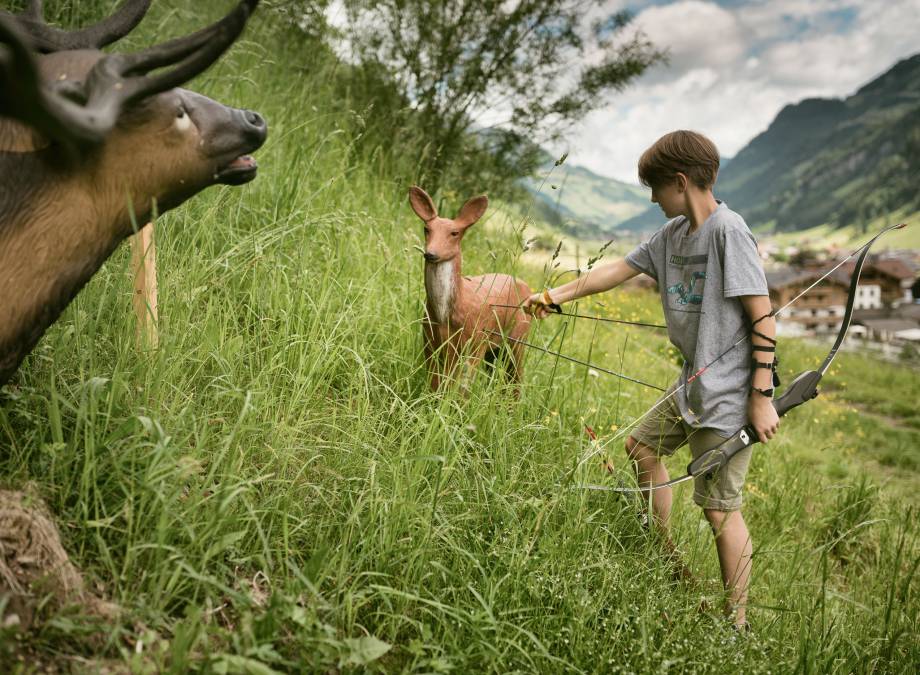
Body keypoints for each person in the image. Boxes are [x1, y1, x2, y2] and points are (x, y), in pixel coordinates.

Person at [523, 130, 779, 630]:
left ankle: (738, 626)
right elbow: (617, 270)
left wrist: (762, 396)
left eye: (655, 189)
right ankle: (659, 547)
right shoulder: (672, 235)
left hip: (729, 397)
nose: (653, 198)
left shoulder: (729, 231)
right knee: (641, 447)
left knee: (720, 511)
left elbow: (762, 316)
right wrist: (555, 295)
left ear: (680, 182)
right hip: (692, 385)